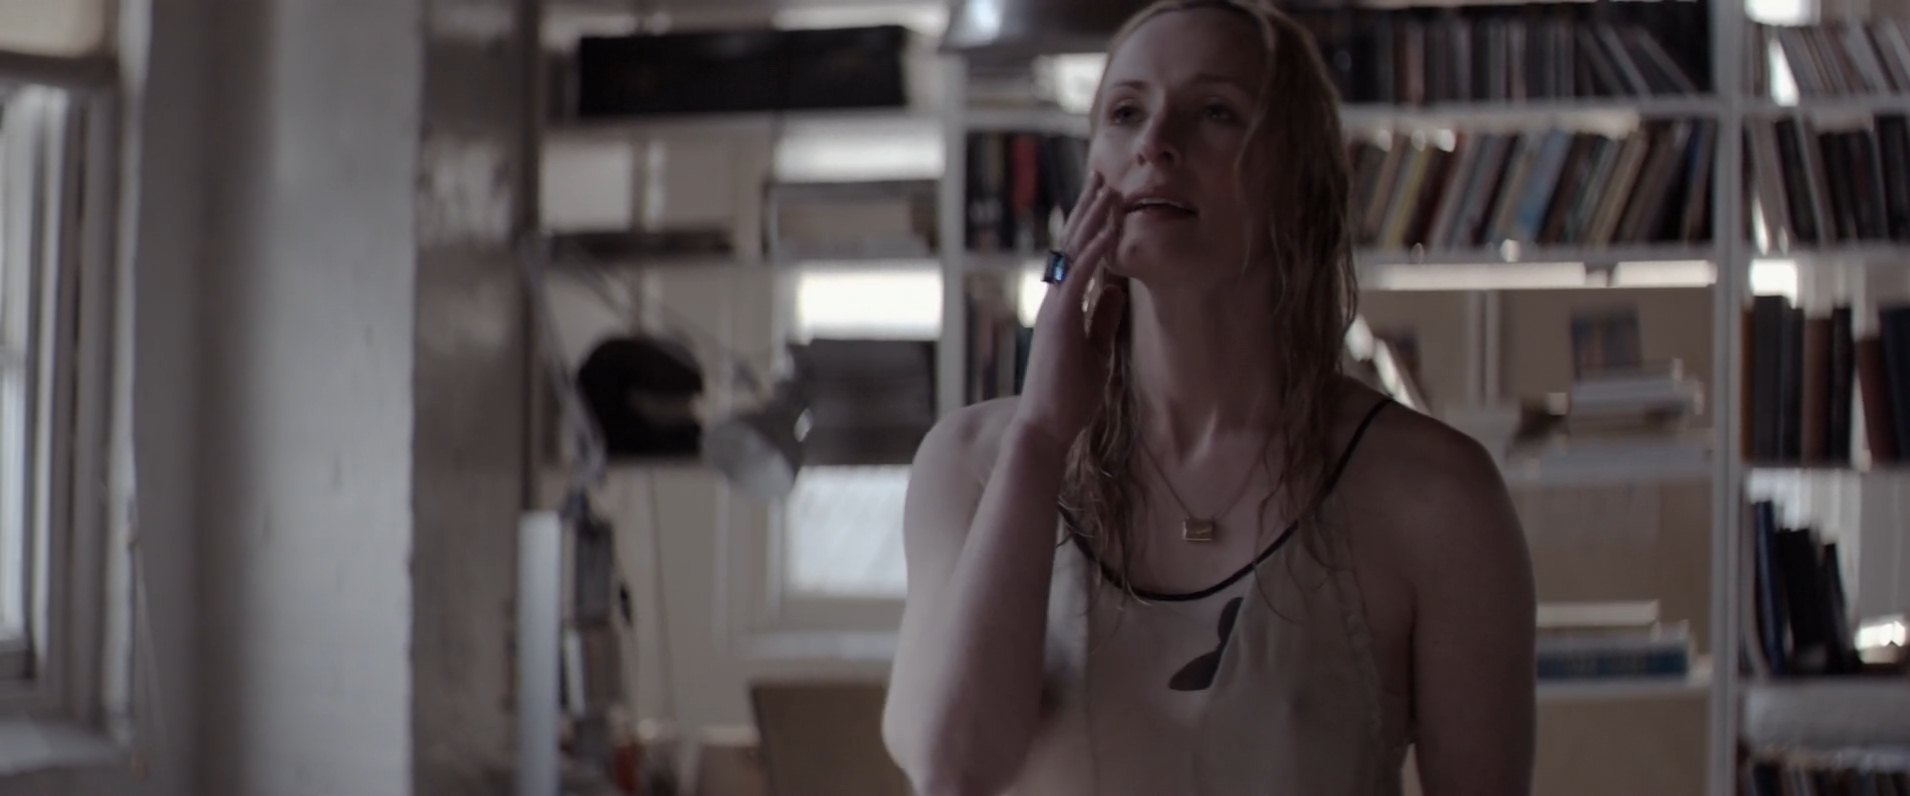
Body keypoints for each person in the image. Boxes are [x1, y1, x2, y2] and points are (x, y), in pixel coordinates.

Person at [880, 1, 1537, 794]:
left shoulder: (1436, 496)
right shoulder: (968, 465)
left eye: (1215, 112)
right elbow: (953, 771)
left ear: (1299, 178)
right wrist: (1042, 435)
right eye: (1127, 112)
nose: (1155, 143)